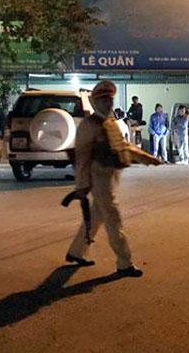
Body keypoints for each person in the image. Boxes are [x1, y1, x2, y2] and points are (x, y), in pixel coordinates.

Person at [65, 80, 144, 277]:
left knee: (97, 214)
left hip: (112, 176)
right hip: (99, 178)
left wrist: (146, 157)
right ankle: (124, 263)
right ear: (95, 102)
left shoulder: (110, 123)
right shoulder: (89, 125)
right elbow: (82, 157)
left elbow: (122, 146)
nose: (108, 103)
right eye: (103, 100)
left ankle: (76, 251)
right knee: (113, 217)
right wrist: (81, 185)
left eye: (110, 99)